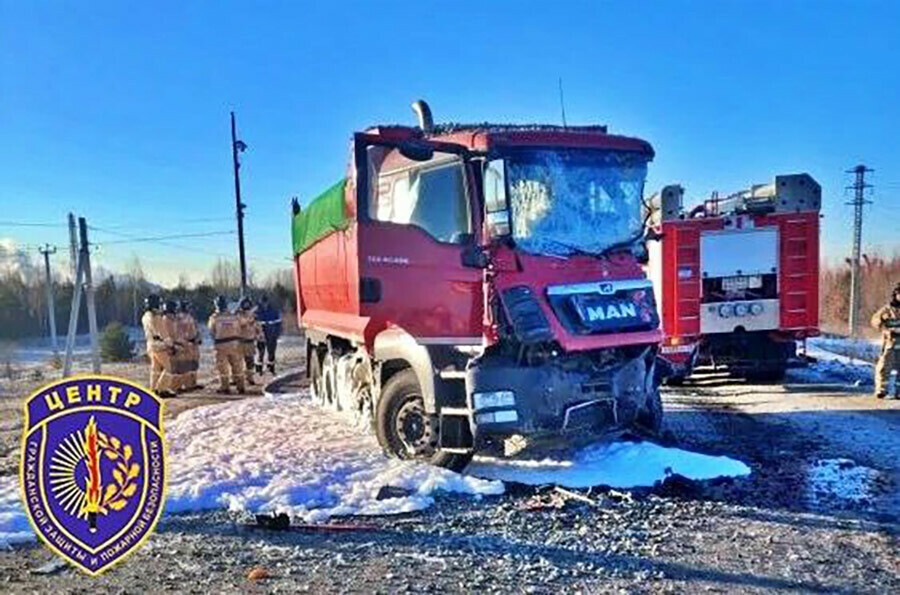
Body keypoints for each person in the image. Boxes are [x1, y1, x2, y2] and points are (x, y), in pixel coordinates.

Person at [208, 295, 245, 394]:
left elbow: (211, 331)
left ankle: (225, 387)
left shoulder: (214, 317)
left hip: (221, 345)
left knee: (223, 368)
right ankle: (240, 386)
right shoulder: (233, 316)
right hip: (234, 344)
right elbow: (241, 326)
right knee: (237, 366)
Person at [870, 282, 900, 398]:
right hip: (890, 343)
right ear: (896, 294)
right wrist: (884, 329)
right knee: (883, 367)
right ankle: (881, 389)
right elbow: (875, 320)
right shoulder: (887, 310)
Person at [140, 293, 173, 396]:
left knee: (156, 368)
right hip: (159, 345)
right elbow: (162, 332)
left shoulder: (145, 316)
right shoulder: (156, 316)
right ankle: (161, 389)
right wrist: (170, 344)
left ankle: (153, 389)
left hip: (150, 344)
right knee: (168, 368)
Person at [176, 300, 203, 392]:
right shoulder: (178, 318)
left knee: (193, 364)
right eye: (187, 306)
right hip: (185, 343)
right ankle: (181, 385)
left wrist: (198, 338)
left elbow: (196, 328)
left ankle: (192, 383)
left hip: (194, 343)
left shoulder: (191, 317)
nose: (189, 308)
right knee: (184, 365)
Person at [160, 299, 184, 396]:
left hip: (175, 345)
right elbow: (166, 335)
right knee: (169, 368)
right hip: (169, 347)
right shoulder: (165, 319)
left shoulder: (172, 319)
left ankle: (175, 387)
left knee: (176, 368)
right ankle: (164, 388)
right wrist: (171, 346)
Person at [255, 295, 282, 375]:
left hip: (272, 335)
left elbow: (278, 323)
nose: (264, 304)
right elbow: (254, 324)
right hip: (261, 335)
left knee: (271, 353)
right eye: (263, 303)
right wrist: (256, 335)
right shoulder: (257, 311)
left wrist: (277, 334)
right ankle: (259, 370)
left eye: (265, 302)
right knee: (261, 353)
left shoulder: (273, 311)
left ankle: (271, 369)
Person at [237, 297, 260, 386]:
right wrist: (249, 317)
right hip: (240, 342)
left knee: (250, 362)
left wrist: (259, 335)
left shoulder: (253, 316)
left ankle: (250, 378)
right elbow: (241, 324)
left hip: (250, 342)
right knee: (238, 362)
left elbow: (257, 327)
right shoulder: (238, 315)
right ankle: (238, 379)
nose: (246, 306)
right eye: (245, 305)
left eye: (248, 305)